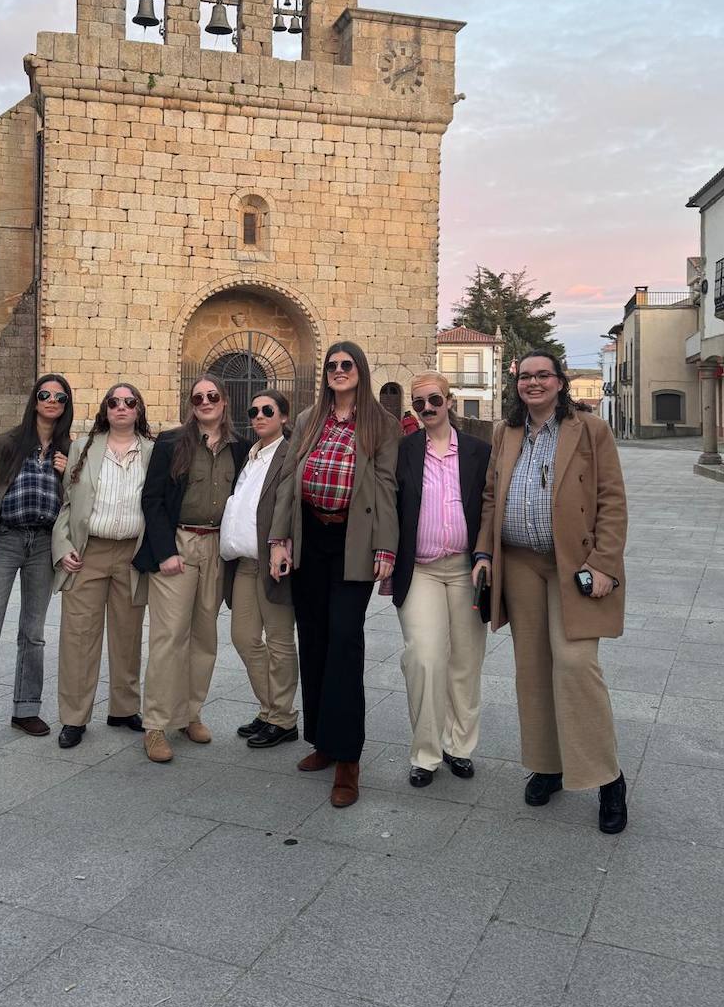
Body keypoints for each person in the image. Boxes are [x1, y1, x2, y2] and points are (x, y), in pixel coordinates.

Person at [473, 351, 629, 833]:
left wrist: (603, 563)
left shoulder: (590, 431)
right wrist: (483, 553)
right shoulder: (506, 432)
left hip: (573, 567)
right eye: (525, 377)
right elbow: (491, 497)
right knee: (533, 668)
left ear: (560, 382)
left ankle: (608, 779)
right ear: (515, 384)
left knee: (577, 666)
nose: (533, 383)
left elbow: (612, 499)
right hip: (519, 564)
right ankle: (547, 766)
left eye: (543, 375)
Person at [269, 342, 399, 809]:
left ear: (360, 371)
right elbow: (288, 478)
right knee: (316, 639)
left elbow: (386, 486)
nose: (338, 371)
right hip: (310, 539)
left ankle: (348, 758)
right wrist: (279, 540)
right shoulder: (308, 420)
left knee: (345, 640)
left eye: (347, 365)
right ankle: (323, 741)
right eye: (332, 366)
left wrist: (386, 545)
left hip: (353, 541)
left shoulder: (380, 424)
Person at [0, 375, 73, 749]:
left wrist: (67, 471)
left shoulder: (68, 449)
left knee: (33, 634)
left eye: (59, 397)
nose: (51, 400)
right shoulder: (6, 445)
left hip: (43, 544)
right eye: (44, 394)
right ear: (33, 400)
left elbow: (77, 501)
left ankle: (26, 709)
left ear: (67, 405)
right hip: (4, 540)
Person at [135, 373, 249, 763]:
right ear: (191, 403)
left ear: (224, 401)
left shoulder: (241, 448)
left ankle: (189, 714)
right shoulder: (170, 444)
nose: (205, 401)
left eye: (212, 395)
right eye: (198, 397)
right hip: (179, 545)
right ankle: (155, 724)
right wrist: (165, 550)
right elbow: (152, 499)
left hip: (217, 547)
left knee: (204, 637)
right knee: (169, 637)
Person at [393, 373, 490, 788]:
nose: (427, 408)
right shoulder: (402, 452)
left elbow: (490, 508)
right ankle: (426, 752)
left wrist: (486, 555)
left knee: (465, 663)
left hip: (467, 570)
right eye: (419, 403)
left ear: (449, 401)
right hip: (420, 569)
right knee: (425, 658)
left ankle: (459, 747)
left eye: (434, 399)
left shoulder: (478, 452)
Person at [51, 382, 155, 749]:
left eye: (129, 402)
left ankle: (124, 708)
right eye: (114, 402)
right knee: (79, 636)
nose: (122, 408)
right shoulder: (84, 448)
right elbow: (67, 503)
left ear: (139, 409)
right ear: (105, 410)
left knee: (128, 634)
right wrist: (62, 546)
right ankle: (74, 717)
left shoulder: (153, 452)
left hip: (131, 554)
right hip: (88, 553)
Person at [219, 389, 298, 749]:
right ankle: (270, 709)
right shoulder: (249, 456)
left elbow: (290, 502)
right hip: (245, 565)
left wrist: (284, 544)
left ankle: (282, 719)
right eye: (253, 410)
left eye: (268, 410)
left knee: (279, 641)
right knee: (244, 637)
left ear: (284, 416)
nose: (259, 415)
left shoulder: (289, 454)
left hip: (273, 562)